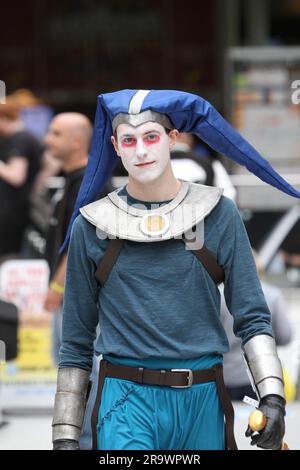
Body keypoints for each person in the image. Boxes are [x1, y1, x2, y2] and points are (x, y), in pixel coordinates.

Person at [52, 89, 300, 451]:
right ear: (115, 146)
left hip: (201, 396)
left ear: (172, 139)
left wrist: (273, 398)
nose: (141, 150)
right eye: (129, 140)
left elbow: (253, 316)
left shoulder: (218, 214)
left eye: (151, 136)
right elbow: (75, 342)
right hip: (124, 399)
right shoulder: (91, 226)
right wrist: (65, 435)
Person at [43, 113, 91, 365]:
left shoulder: (87, 183)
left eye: (56, 133)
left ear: (77, 142)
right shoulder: (70, 179)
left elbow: (78, 242)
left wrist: (58, 286)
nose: (48, 139)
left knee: (76, 367)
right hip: (68, 295)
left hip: (76, 297)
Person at [221, 252, 293, 401]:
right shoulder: (272, 294)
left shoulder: (217, 294)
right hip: (259, 375)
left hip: (222, 377)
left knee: (225, 422)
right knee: (257, 421)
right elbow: (286, 336)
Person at [0, 95, 43, 257]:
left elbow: (16, 176)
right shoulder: (25, 138)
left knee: (8, 257)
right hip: (16, 209)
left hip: (13, 211)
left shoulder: (21, 140)